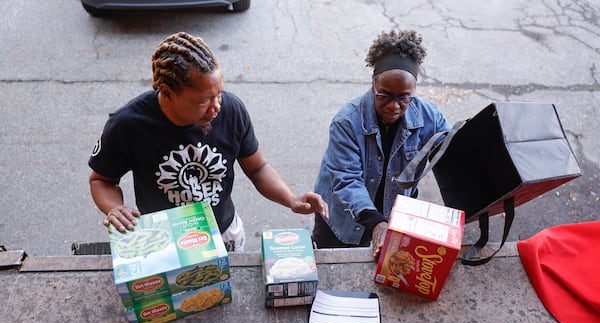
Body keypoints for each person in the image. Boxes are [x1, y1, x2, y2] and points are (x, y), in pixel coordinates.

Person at [89, 32, 328, 251]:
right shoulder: (127, 125)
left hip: (223, 232)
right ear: (167, 92)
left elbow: (257, 168)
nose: (216, 107)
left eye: (219, 94)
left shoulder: (232, 110)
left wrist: (291, 199)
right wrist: (115, 208)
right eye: (203, 101)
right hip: (164, 239)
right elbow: (102, 180)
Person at [312, 29, 451, 258]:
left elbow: (451, 151)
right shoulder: (346, 122)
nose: (393, 106)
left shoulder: (430, 117)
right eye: (384, 94)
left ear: (413, 90)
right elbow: (346, 180)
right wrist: (377, 223)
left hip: (394, 214)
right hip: (342, 219)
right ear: (373, 83)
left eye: (404, 97)